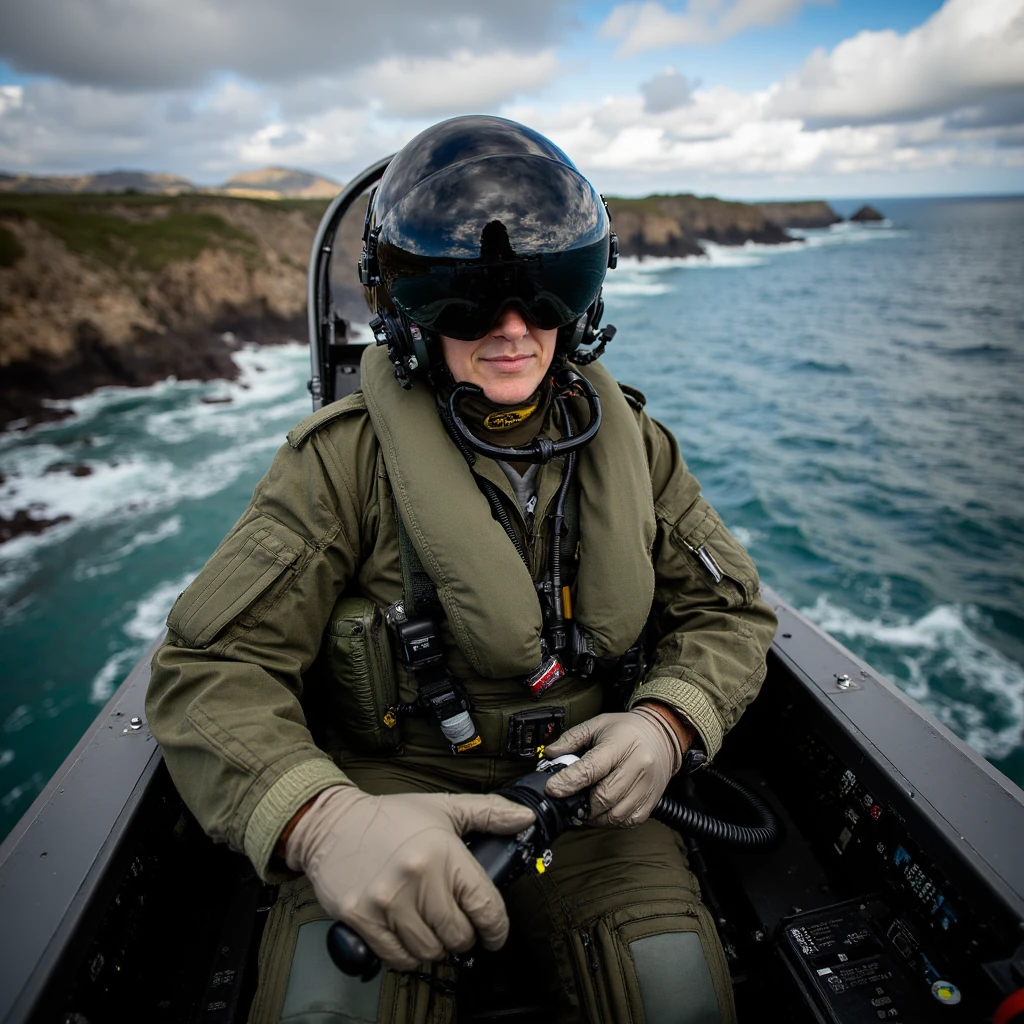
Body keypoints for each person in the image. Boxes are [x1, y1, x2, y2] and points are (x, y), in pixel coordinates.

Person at [146, 115, 777, 1024]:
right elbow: (209, 670)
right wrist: (318, 820)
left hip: (588, 798)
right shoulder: (342, 463)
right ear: (408, 312)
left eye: (544, 290)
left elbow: (731, 616)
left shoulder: (633, 447)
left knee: (674, 992)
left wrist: (670, 723)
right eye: (465, 299)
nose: (514, 329)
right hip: (386, 798)